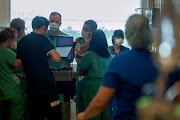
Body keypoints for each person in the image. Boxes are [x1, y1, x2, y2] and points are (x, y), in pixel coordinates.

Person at [76, 14, 160, 120]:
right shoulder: (162, 64)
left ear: (128, 36)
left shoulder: (119, 62)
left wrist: (84, 115)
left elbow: (101, 101)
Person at [17, 16, 62, 120]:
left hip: (32, 85)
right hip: (46, 85)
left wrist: (38, 63)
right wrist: (45, 60)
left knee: (35, 114)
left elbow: (21, 61)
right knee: (54, 113)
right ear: (43, 27)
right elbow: (57, 58)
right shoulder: (43, 39)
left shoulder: (23, 41)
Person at [78, 29, 111, 120]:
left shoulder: (90, 55)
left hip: (92, 86)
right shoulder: (108, 55)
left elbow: (82, 67)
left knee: (92, 113)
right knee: (105, 112)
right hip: (106, 86)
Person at [0, 28, 25, 120]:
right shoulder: (8, 52)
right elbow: (22, 66)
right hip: (12, 91)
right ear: (9, 40)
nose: (15, 42)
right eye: (15, 40)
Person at [74, 20, 98, 113]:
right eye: (83, 28)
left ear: (92, 31)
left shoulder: (98, 42)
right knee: (81, 108)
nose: (83, 31)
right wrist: (88, 42)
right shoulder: (79, 40)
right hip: (80, 79)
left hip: (93, 80)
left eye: (86, 29)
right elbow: (77, 54)